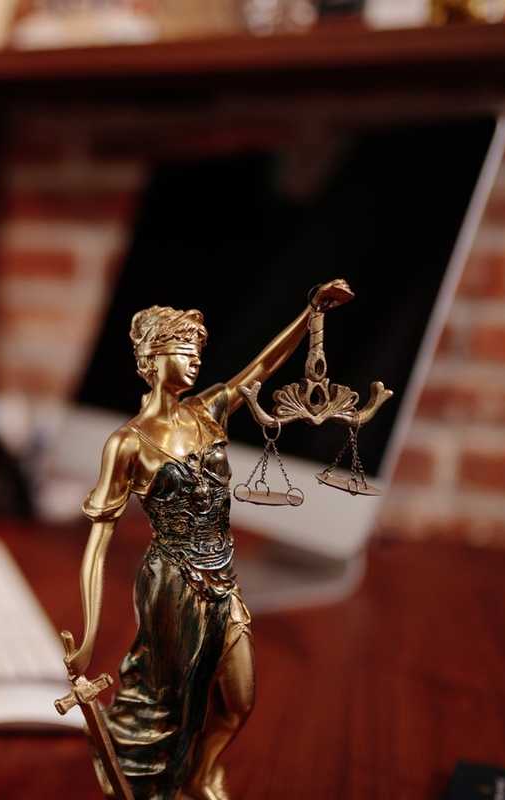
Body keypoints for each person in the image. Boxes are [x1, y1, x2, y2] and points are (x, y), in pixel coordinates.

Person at [63, 280, 352, 799]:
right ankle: (163, 786)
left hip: (223, 576)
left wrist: (311, 313)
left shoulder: (209, 410)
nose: (196, 360)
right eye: (183, 350)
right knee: (170, 703)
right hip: (171, 584)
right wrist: (86, 639)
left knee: (238, 699)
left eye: (199, 349)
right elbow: (97, 544)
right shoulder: (127, 443)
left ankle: (203, 772)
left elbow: (262, 367)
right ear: (151, 360)